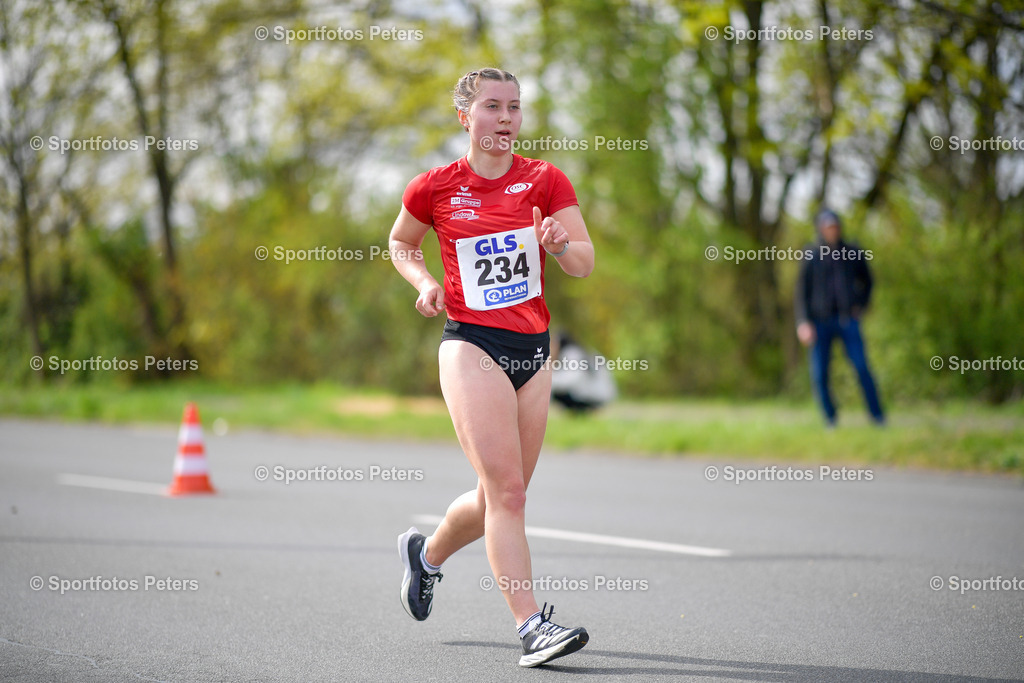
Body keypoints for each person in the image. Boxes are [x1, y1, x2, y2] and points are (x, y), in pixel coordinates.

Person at [388, 68, 594, 668]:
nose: (506, 118)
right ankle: (532, 627)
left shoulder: (545, 180)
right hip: (470, 345)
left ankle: (425, 556)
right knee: (509, 493)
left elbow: (583, 261)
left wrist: (558, 243)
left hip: (533, 352)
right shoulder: (434, 187)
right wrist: (424, 282)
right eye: (492, 107)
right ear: (465, 118)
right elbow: (401, 243)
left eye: (514, 107)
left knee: (500, 495)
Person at [795, 208, 885, 427]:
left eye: (834, 226)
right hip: (819, 322)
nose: (831, 230)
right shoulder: (811, 255)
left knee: (862, 367)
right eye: (827, 227)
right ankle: (830, 420)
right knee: (820, 374)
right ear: (820, 229)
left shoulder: (852, 251)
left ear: (839, 227)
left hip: (848, 320)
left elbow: (868, 282)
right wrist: (803, 323)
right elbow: (801, 292)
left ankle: (877, 417)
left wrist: (861, 305)